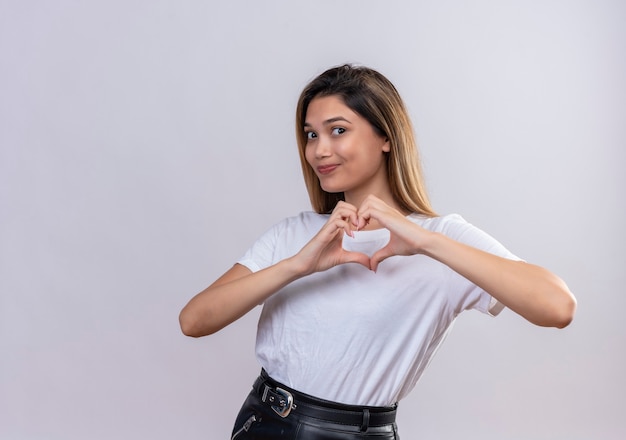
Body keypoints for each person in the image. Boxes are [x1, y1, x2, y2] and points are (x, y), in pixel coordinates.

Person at [179, 64, 576, 440]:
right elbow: (194, 320)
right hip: (264, 422)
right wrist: (298, 266)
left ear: (385, 136)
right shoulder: (297, 234)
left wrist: (423, 241)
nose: (318, 150)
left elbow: (557, 307)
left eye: (337, 130)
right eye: (311, 135)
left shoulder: (440, 239)